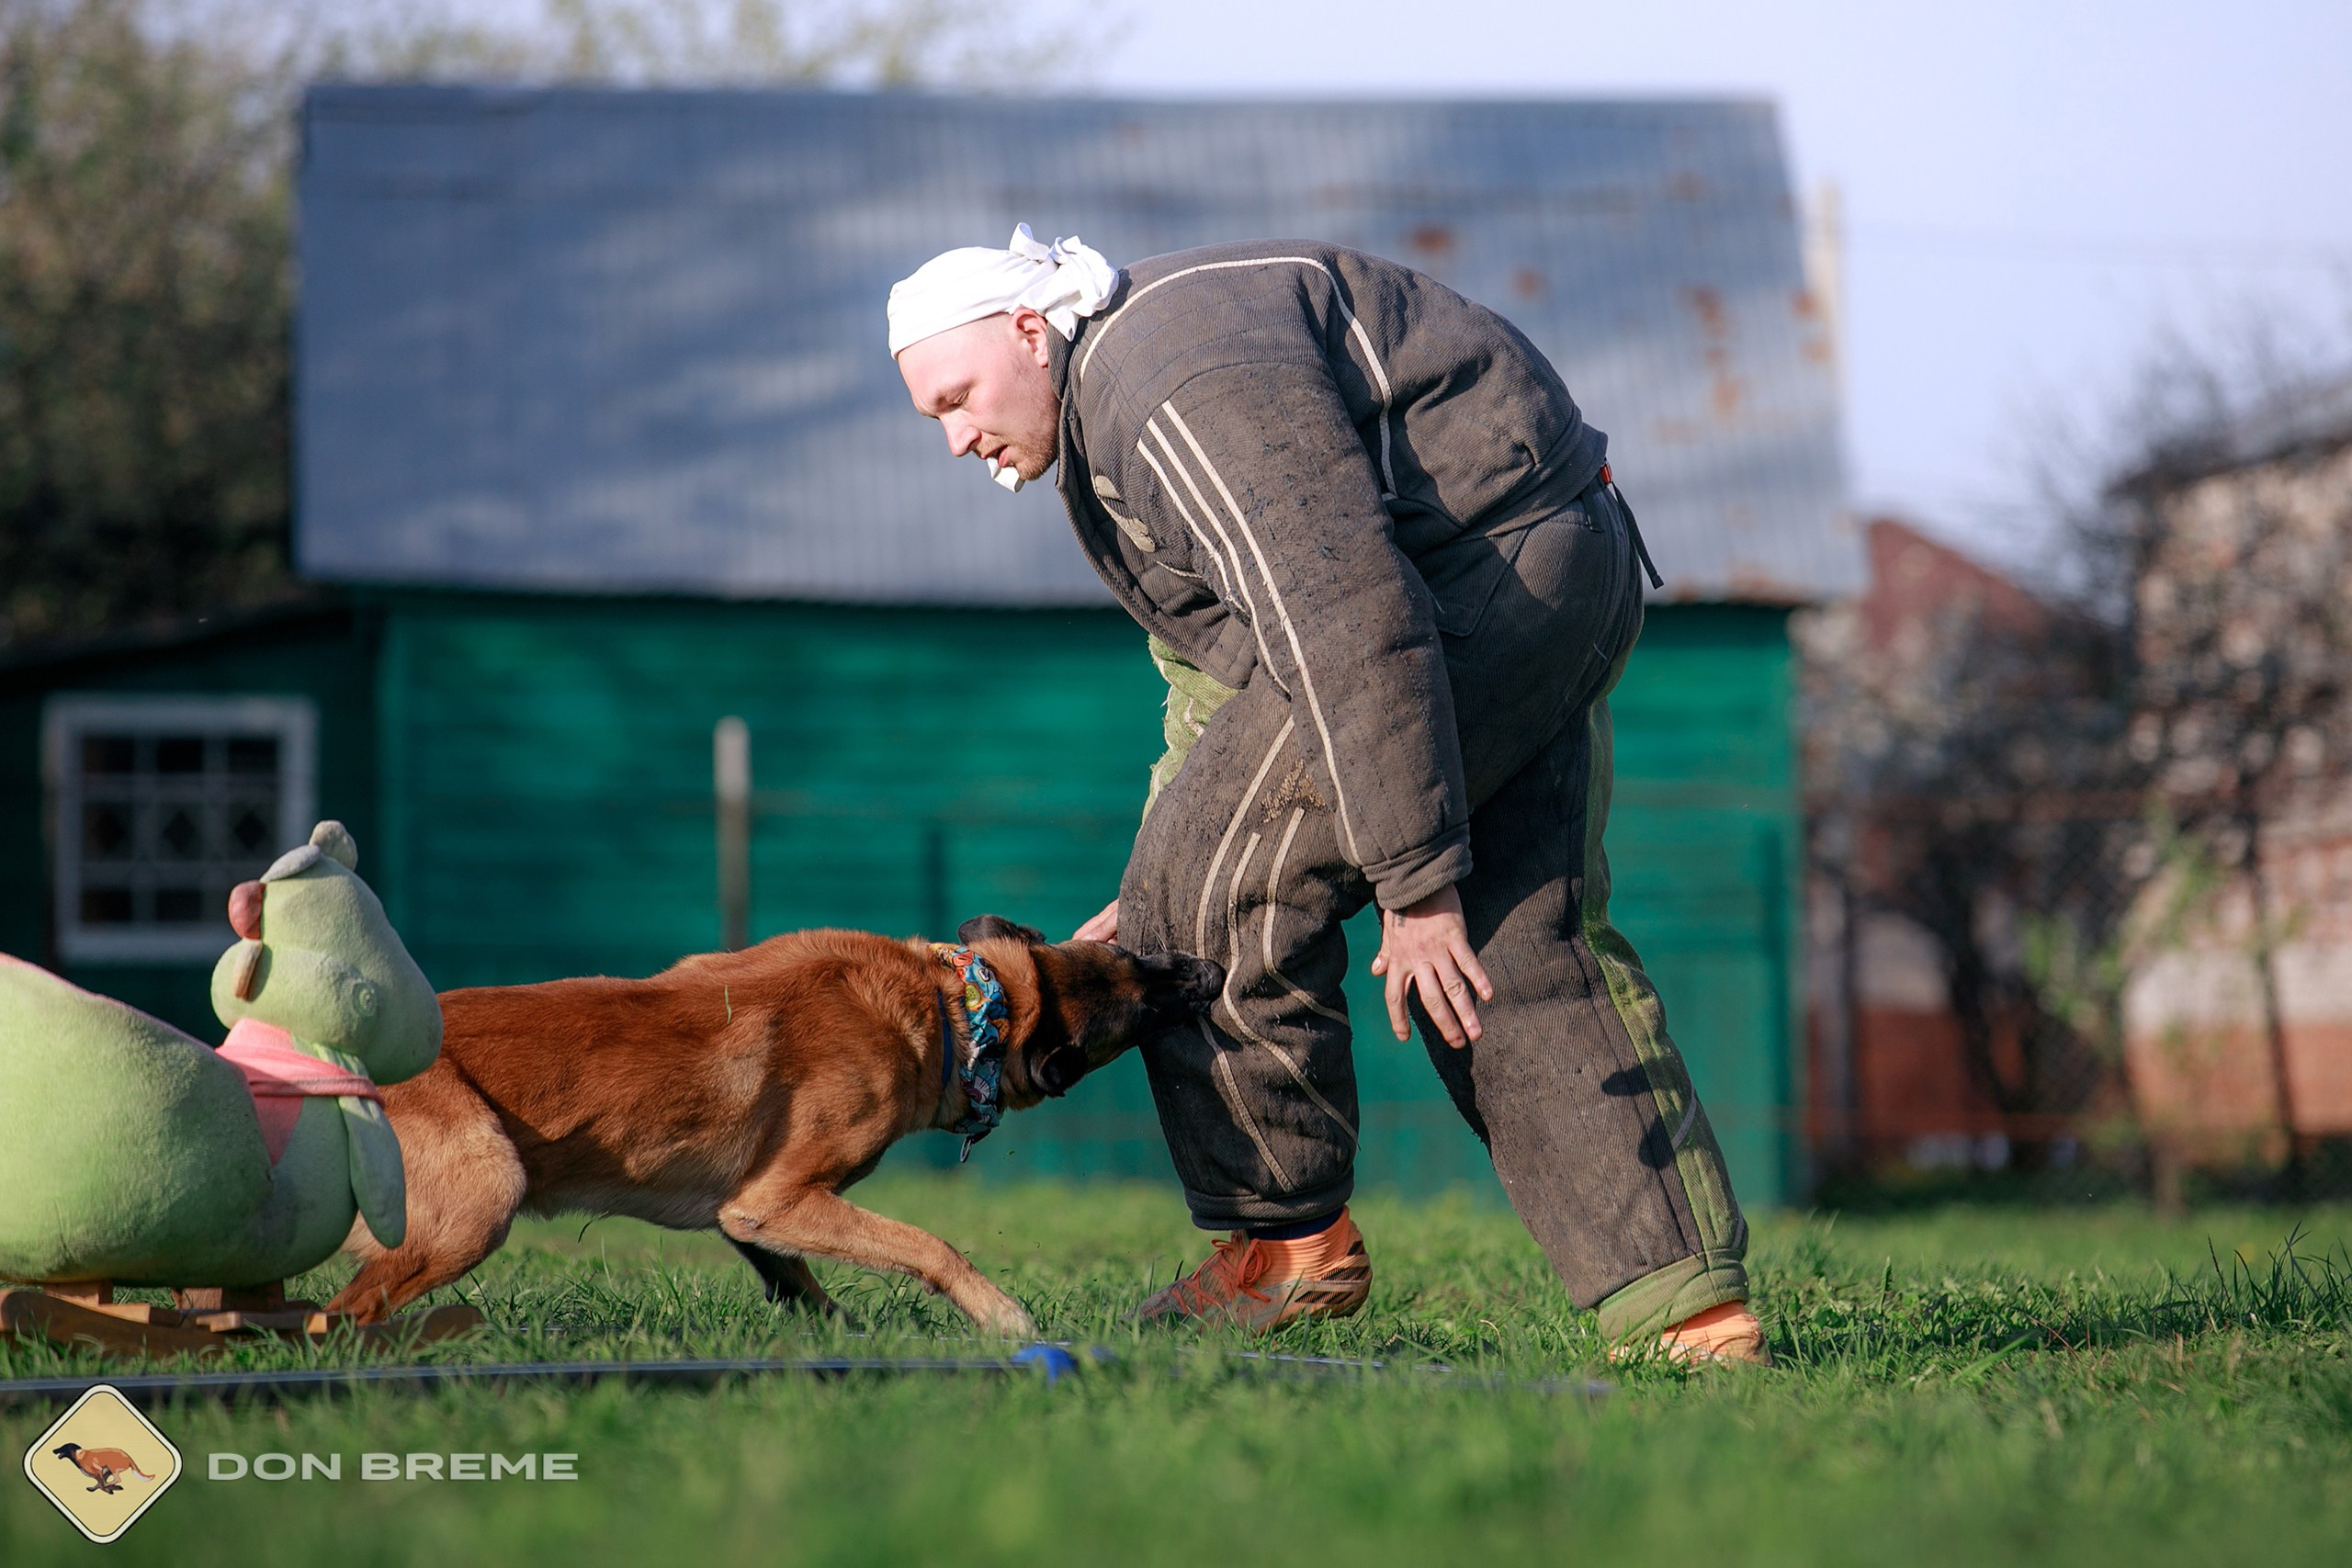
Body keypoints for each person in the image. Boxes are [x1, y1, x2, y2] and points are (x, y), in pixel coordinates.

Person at [888, 226, 1766, 1363]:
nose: (955, 438)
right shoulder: (1117, 394)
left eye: (956, 399)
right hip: (1541, 565)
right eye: (934, 418)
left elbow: (1349, 616)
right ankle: (1684, 1311)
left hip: (1478, 587)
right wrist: (1159, 850)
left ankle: (1288, 1248)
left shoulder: (1169, 385)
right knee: (1510, 939)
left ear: (1025, 331)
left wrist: (1413, 883)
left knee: (1209, 909)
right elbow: (1217, 672)